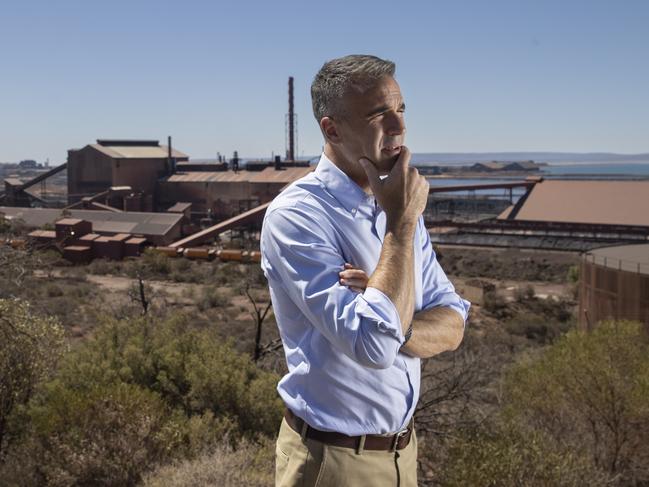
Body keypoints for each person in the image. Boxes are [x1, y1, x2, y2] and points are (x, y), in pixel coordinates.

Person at [260, 54, 470, 487]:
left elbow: (453, 323)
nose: (398, 127)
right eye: (379, 114)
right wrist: (400, 226)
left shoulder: (395, 203)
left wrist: (397, 323)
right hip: (332, 462)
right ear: (331, 128)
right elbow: (373, 347)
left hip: (402, 454)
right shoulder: (298, 216)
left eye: (401, 110)